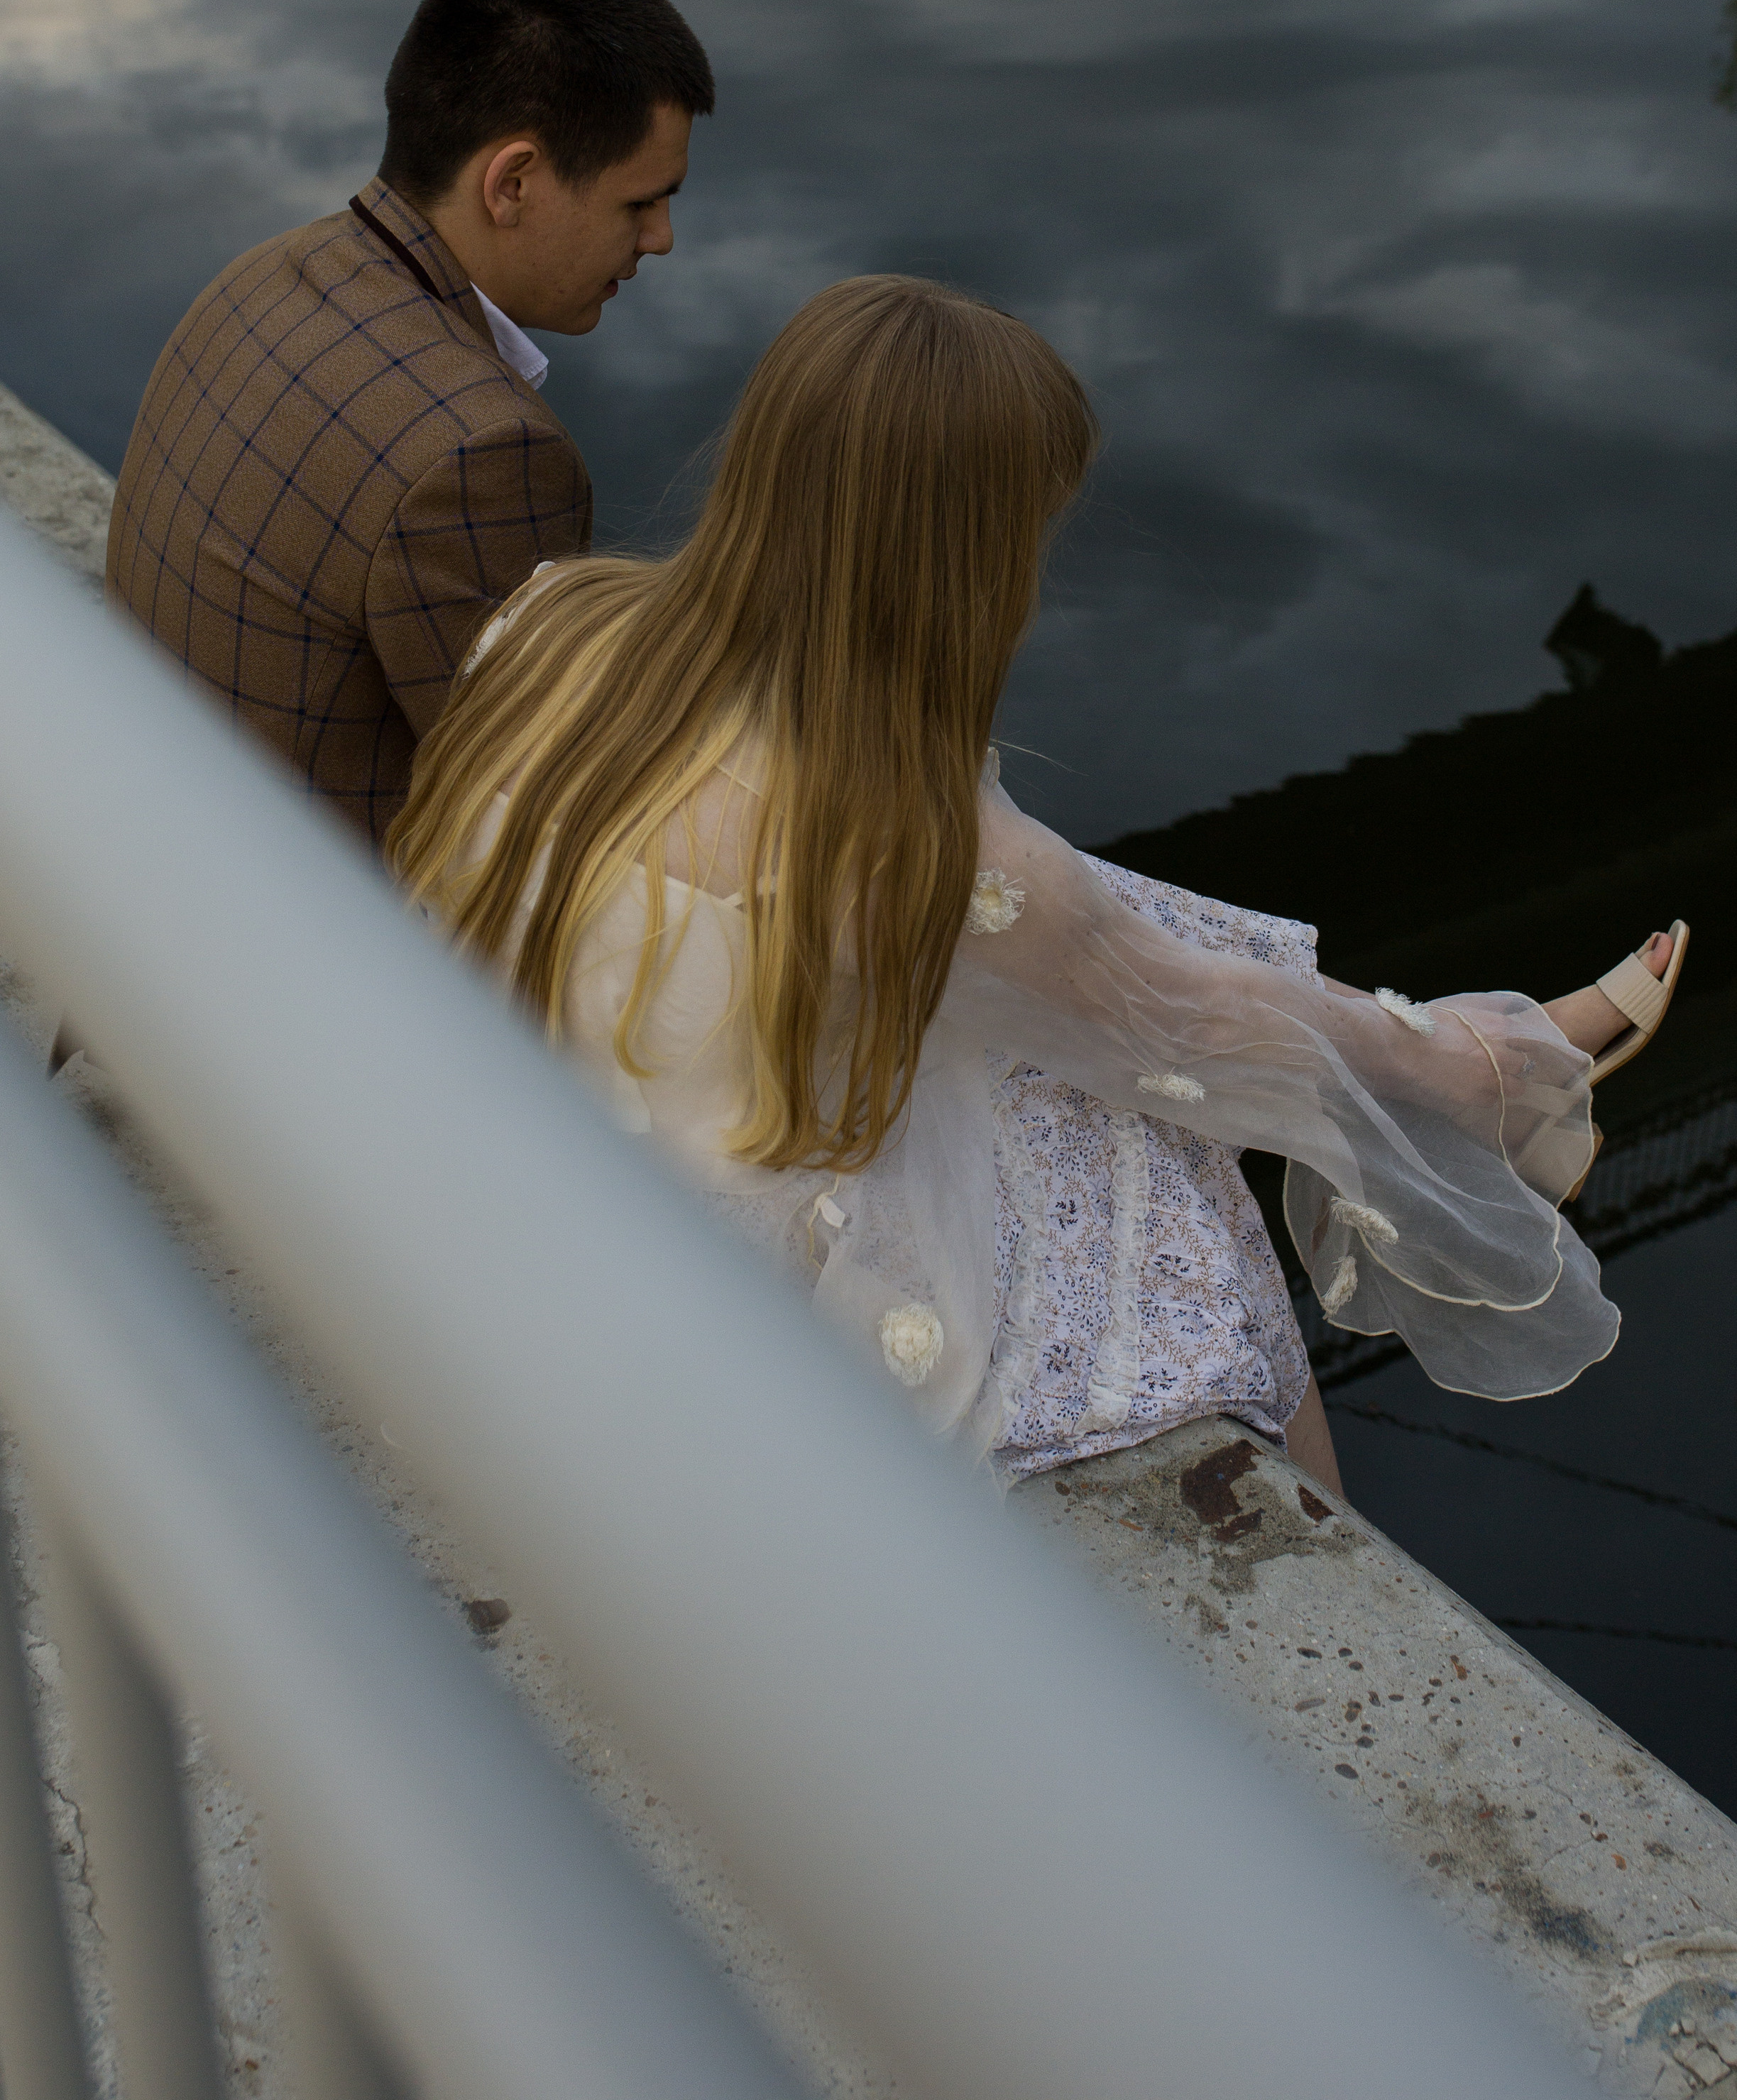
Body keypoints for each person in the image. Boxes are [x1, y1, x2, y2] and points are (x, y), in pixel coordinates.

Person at [392, 276, 1684, 1488]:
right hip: (747, 1289)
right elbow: (1184, 1030)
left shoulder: (554, 620)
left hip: (554, 1164)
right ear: (963, 558)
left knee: (1097, 937)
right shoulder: (909, 841)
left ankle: (1455, 1053)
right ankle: (1477, 1083)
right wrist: (1461, 1065)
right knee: (1168, 1128)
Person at [106, 0, 712, 844]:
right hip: (320, 941)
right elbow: (546, 811)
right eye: (640, 203)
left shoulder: (260, 276)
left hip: (156, 843)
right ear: (512, 183)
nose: (661, 238)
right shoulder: (480, 453)